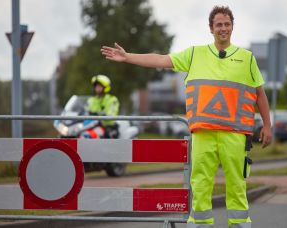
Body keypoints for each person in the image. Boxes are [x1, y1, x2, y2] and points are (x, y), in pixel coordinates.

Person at [101, 6, 272, 227]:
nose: (223, 28)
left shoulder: (247, 58)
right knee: (200, 187)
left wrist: (267, 125)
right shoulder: (194, 55)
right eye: (219, 24)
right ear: (211, 28)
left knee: (237, 188)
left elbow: (260, 94)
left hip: (235, 135)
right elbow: (161, 60)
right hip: (203, 134)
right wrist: (128, 57)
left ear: (232, 27)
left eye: (227, 24)